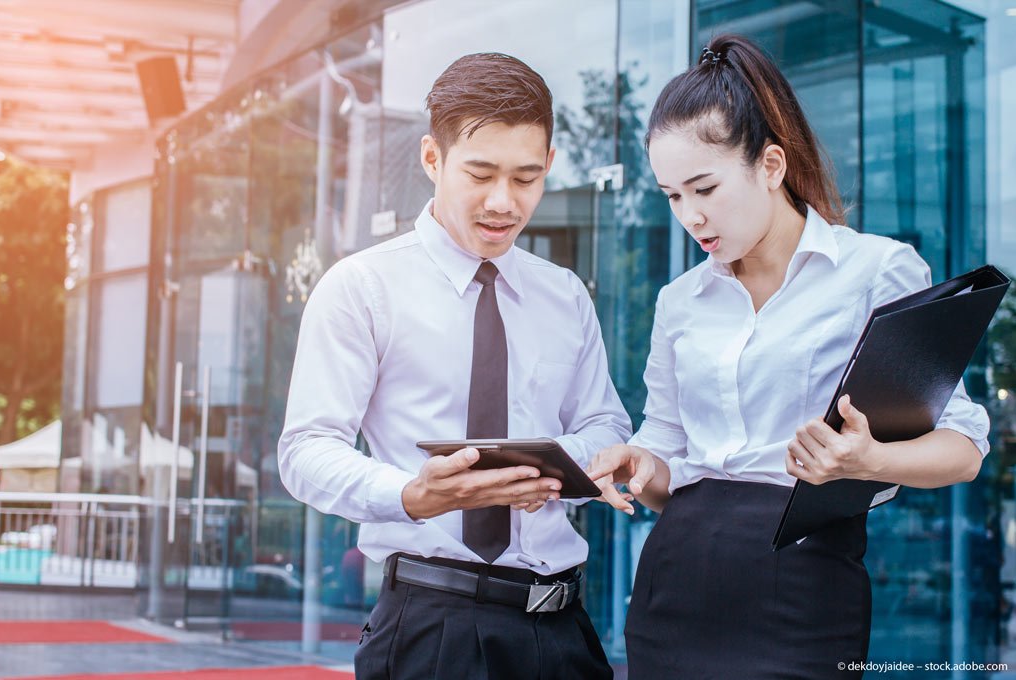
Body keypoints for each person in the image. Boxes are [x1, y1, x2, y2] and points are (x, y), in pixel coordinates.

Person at [586, 34, 990, 679]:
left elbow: (964, 446)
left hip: (805, 585)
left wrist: (869, 459)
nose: (690, 215)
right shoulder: (680, 300)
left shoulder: (876, 271)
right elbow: (666, 457)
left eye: (705, 187)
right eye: (672, 196)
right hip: (674, 580)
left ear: (770, 166)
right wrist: (639, 462)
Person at [278, 52, 631, 680]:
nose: (503, 202)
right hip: (431, 630)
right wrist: (411, 494)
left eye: (526, 178)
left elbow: (607, 422)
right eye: (480, 173)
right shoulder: (362, 287)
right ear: (432, 159)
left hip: (563, 630)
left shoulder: (566, 294)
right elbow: (306, 450)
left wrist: (556, 465)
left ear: (550, 165)